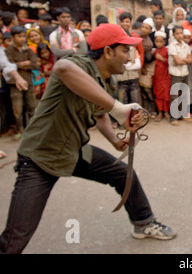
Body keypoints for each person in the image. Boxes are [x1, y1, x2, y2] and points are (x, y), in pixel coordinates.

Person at [0, 24, 177, 254]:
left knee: (123, 173)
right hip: (40, 156)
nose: (130, 56)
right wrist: (119, 108)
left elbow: (99, 111)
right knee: (15, 240)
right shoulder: (79, 64)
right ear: (108, 51)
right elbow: (62, 67)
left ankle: (143, 223)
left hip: (74, 150)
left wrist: (114, 139)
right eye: (125, 50)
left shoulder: (104, 80)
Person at [4, 26, 39, 140]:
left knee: (32, 107)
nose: (22, 39)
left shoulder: (28, 49)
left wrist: (17, 64)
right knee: (17, 108)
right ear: (13, 37)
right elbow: (7, 66)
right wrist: (23, 64)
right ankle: (20, 130)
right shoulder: (7, 51)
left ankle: (33, 131)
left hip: (28, 82)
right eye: (19, 36)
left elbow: (34, 64)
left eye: (23, 36)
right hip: (14, 83)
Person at [168, 25, 192, 126]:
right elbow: (177, 61)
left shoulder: (186, 46)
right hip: (175, 73)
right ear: (174, 35)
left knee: (183, 94)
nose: (179, 35)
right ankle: (173, 117)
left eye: (181, 33)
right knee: (174, 95)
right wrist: (184, 60)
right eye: (177, 33)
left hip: (185, 72)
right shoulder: (172, 46)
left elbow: (190, 59)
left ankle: (182, 114)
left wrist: (181, 60)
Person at [138, 18, 157, 118]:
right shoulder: (136, 36)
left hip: (146, 66)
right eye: (143, 27)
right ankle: (145, 110)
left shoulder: (148, 43)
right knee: (141, 91)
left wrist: (143, 67)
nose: (144, 29)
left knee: (147, 88)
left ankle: (153, 108)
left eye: (146, 28)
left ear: (150, 31)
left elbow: (145, 57)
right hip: (139, 66)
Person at [152, 31, 171, 123]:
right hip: (157, 77)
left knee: (166, 94)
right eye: (157, 42)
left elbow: (171, 62)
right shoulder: (154, 51)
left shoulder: (167, 50)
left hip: (166, 76)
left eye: (160, 42)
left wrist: (162, 59)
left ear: (164, 42)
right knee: (158, 95)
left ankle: (166, 112)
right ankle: (160, 112)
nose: (158, 44)